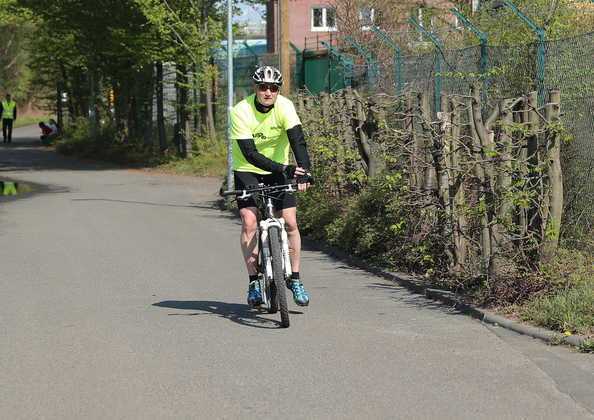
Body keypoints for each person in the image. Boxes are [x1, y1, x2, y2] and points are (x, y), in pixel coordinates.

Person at [230, 65, 312, 308]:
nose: (268, 92)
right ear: (255, 88)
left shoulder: (285, 106)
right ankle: (254, 281)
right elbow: (250, 153)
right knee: (249, 221)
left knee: (290, 222)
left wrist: (304, 172)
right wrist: (285, 169)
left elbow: (298, 141)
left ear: (278, 90)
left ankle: (295, 278)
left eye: (273, 88)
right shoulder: (241, 110)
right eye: (263, 87)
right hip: (248, 169)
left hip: (279, 170)